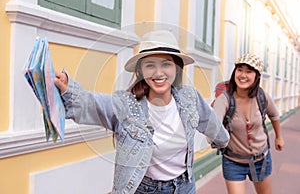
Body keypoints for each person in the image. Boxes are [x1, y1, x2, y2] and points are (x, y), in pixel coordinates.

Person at [54, 30, 229, 194]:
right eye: (150, 65)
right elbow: (90, 104)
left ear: (176, 68)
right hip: (144, 188)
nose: (159, 73)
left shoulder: (190, 98)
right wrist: (67, 87)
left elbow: (211, 123)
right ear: (141, 71)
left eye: (166, 64)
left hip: (185, 186)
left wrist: (225, 142)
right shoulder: (126, 104)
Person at [212, 54, 285, 194]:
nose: (243, 75)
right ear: (235, 72)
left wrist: (279, 137)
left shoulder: (261, 96)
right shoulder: (225, 99)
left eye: (249, 71)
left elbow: (274, 114)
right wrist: (214, 135)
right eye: (240, 69)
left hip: (261, 159)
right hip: (233, 161)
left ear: (256, 76)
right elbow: (214, 125)